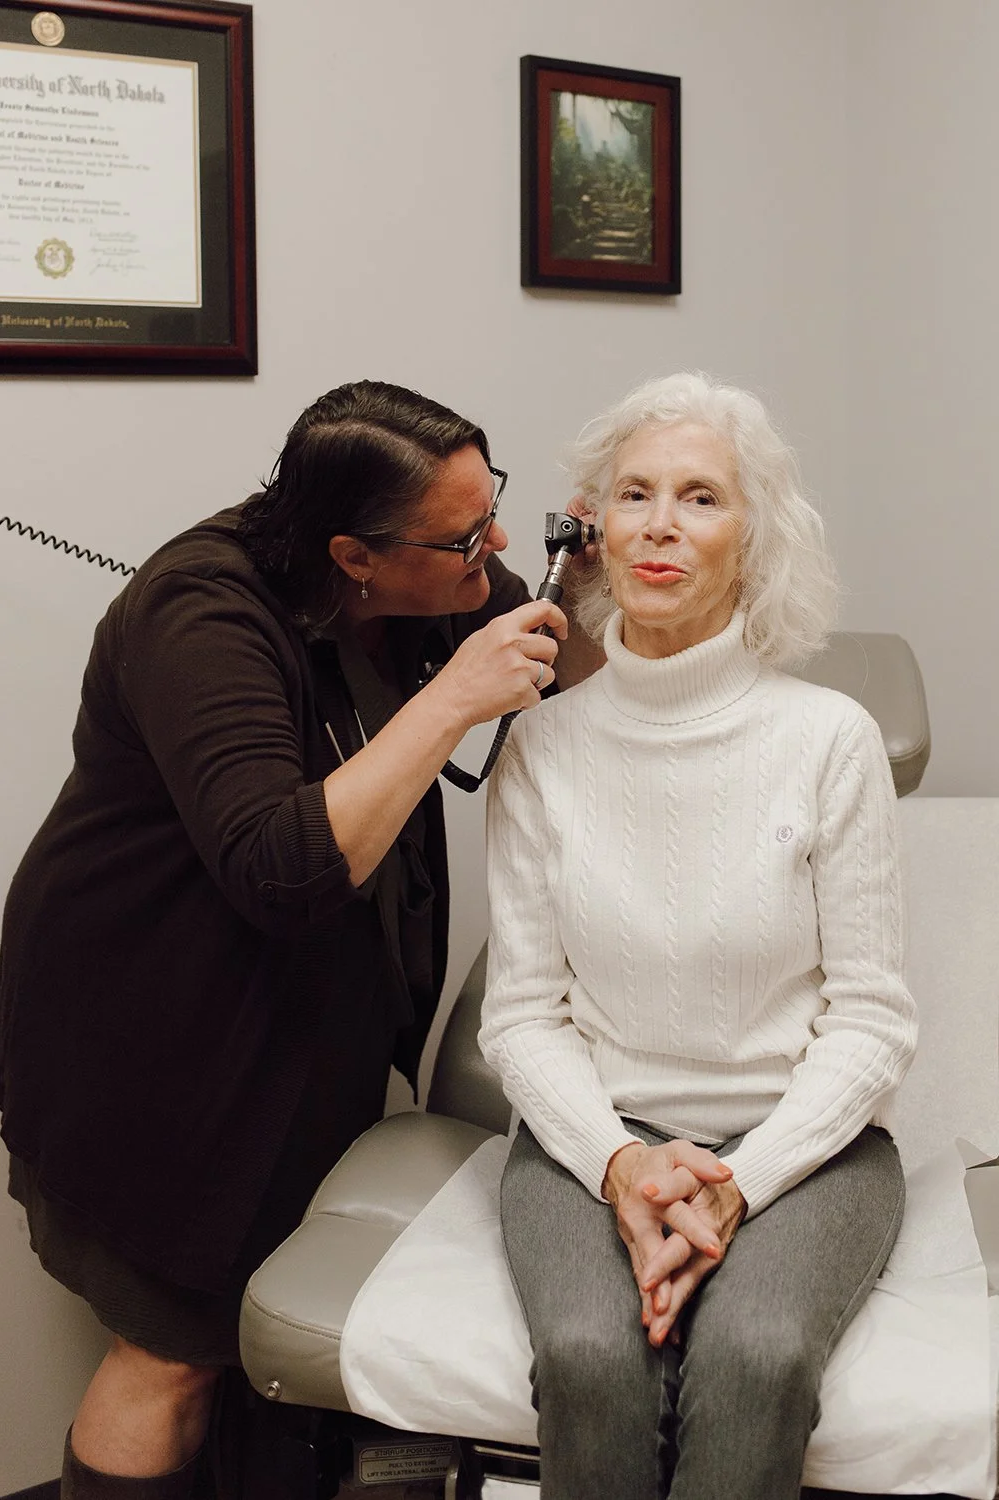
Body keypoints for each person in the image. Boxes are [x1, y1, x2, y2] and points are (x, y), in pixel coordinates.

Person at [0, 381, 573, 1500]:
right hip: (144, 1031)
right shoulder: (200, 612)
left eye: (492, 507)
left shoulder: (428, 565)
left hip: (294, 1027)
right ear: (355, 554)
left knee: (247, 1355)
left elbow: (562, 656)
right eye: (465, 535)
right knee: (171, 1355)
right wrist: (453, 697)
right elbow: (282, 866)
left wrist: (601, 578)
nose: (493, 547)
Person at [479, 372, 917, 1500]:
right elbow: (522, 1015)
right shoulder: (538, 750)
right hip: (594, 1133)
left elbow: (870, 1019)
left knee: (756, 1361)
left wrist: (732, 1184)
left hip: (802, 1144)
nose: (661, 524)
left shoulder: (830, 740)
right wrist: (621, 1164)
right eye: (634, 495)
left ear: (753, 543)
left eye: (700, 498)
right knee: (587, 1360)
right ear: (593, 532)